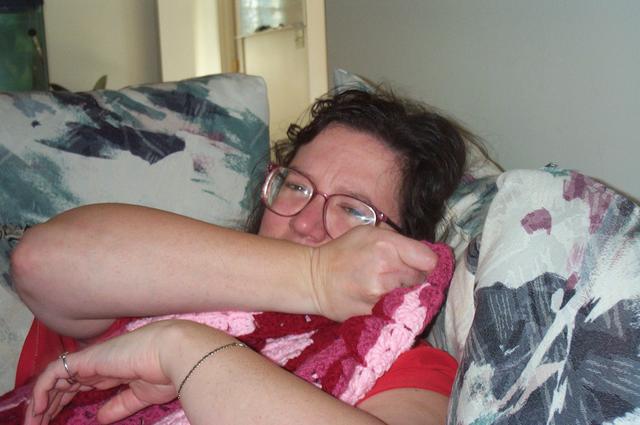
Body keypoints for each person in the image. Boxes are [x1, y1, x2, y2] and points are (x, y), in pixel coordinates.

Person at [11, 88, 471, 425]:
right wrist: (314, 276)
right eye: (296, 186)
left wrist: (180, 349)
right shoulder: (176, 270)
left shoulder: (410, 368)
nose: (305, 222)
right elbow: (40, 260)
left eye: (352, 210)